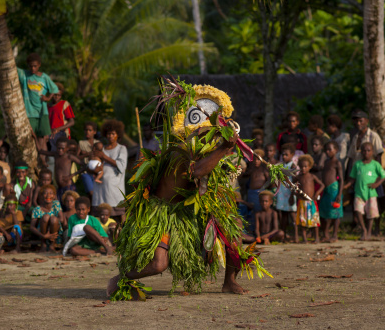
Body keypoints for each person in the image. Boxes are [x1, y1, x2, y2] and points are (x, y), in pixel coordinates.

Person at [108, 81, 275, 300]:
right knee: (159, 264)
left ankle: (229, 281)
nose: (211, 139)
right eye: (206, 134)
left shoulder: (205, 153)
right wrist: (225, 148)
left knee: (232, 227)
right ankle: (123, 277)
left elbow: (207, 182)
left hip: (190, 211)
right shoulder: (178, 153)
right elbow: (196, 173)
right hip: (163, 213)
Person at [17, 53, 59, 162]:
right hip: (30, 112)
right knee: (30, 137)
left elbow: (55, 89)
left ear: (39, 65)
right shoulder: (25, 75)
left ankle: (42, 161)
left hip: (42, 112)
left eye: (35, 66)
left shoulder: (44, 77)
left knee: (42, 138)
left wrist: (48, 98)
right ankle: (32, 161)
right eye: (31, 66)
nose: (33, 68)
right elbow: (11, 66)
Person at [344, 142, 385, 241]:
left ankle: (369, 231)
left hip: (371, 193)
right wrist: (346, 185)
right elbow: (352, 178)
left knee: (371, 214)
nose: (366, 152)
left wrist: (376, 184)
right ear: (361, 152)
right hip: (359, 192)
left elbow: (383, 175)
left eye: (368, 150)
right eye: (364, 150)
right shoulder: (357, 164)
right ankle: (363, 229)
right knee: (358, 211)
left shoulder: (375, 164)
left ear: (372, 152)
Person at [92, 119, 127, 221]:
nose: (110, 136)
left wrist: (104, 157)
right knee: (99, 215)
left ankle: (123, 233)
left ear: (118, 135)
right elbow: (94, 165)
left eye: (113, 134)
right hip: (100, 187)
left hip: (115, 188)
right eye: (108, 134)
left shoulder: (121, 149)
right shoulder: (101, 148)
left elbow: (121, 166)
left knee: (119, 214)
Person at [39, 137, 82, 203]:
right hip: (59, 188)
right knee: (60, 207)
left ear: (67, 148)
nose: (60, 150)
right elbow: (41, 151)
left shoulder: (69, 157)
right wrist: (36, 137)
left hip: (68, 187)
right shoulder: (55, 154)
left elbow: (84, 166)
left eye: (62, 148)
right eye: (59, 148)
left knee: (69, 205)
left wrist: (72, 175)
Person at [295, 155, 324, 243]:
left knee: (314, 221)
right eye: (301, 166)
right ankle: (304, 239)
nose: (303, 168)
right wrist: (296, 194)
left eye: (305, 166)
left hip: (311, 201)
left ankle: (317, 238)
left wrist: (317, 193)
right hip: (302, 202)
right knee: (302, 222)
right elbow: (293, 187)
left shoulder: (312, 176)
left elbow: (322, 185)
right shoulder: (299, 177)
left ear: (310, 167)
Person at [319, 141, 344, 242]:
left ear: (336, 150)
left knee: (335, 213)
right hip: (326, 190)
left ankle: (334, 235)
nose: (328, 152)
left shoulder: (337, 163)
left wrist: (339, 193)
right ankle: (325, 234)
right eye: (326, 150)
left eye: (330, 150)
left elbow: (341, 179)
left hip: (334, 189)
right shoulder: (326, 162)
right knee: (325, 212)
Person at [274, 143, 298, 242]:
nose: (284, 156)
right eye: (283, 154)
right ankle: (283, 236)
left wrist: (293, 195)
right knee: (283, 215)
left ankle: (296, 236)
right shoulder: (281, 165)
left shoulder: (293, 166)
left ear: (292, 155)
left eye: (286, 155)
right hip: (282, 193)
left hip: (290, 194)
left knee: (292, 215)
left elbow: (296, 182)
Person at [30, 185, 64, 252]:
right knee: (46, 217)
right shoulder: (37, 209)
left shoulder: (56, 204)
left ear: (54, 196)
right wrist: (43, 236)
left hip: (55, 234)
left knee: (53, 219)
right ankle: (43, 245)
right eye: (45, 193)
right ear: (41, 196)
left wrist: (50, 226)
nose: (48, 195)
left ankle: (52, 245)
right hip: (42, 235)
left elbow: (61, 219)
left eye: (51, 193)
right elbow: (31, 227)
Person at [47, 82, 75, 151]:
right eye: (55, 95)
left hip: (61, 131)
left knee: (54, 140)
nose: (56, 97)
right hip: (50, 131)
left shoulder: (64, 104)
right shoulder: (47, 106)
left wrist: (58, 129)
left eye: (59, 95)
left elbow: (72, 122)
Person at [78, 121, 100, 197]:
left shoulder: (98, 143)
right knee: (91, 193)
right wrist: (87, 154)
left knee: (97, 192)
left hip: (96, 171)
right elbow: (77, 157)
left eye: (90, 130)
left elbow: (101, 156)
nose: (87, 132)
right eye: (86, 130)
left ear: (94, 132)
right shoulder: (81, 143)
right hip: (85, 171)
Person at [246, 149, 269, 215]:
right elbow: (246, 174)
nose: (256, 161)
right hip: (251, 192)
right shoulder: (252, 169)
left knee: (260, 210)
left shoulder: (264, 170)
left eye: (258, 160)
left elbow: (269, 181)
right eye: (254, 159)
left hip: (260, 193)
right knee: (252, 210)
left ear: (262, 160)